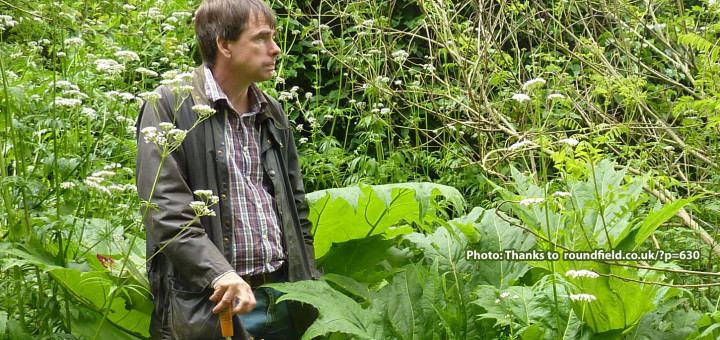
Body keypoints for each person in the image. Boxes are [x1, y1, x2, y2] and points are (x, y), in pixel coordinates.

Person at [136, 0, 320, 338]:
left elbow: (296, 206)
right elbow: (166, 211)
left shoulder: (272, 111)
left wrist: (309, 278)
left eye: (273, 37)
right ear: (225, 44)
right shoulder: (169, 105)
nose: (275, 49)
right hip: (212, 304)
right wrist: (219, 273)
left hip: (285, 296)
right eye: (261, 38)